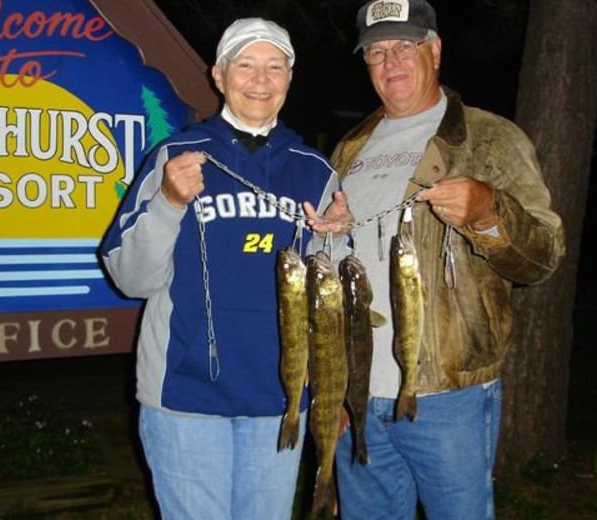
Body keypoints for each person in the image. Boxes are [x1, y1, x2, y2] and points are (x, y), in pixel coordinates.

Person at [319, 1, 566, 519]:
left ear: (434, 50)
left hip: (449, 397)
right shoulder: (348, 149)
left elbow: (544, 257)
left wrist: (488, 213)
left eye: (405, 47)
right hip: (358, 393)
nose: (391, 63)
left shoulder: (491, 138)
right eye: (377, 52)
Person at [99, 18, 343, 520]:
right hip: (185, 396)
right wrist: (168, 201)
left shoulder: (315, 171)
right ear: (219, 74)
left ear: (290, 78)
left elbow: (335, 295)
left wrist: (336, 238)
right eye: (246, 65)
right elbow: (130, 279)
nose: (260, 80)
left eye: (274, 67)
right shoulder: (175, 157)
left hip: (280, 401)